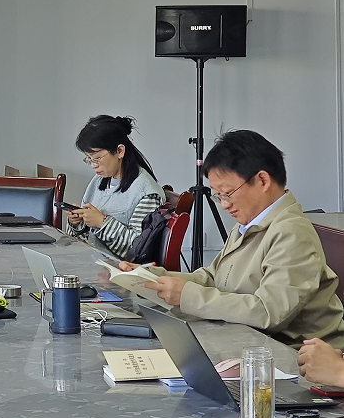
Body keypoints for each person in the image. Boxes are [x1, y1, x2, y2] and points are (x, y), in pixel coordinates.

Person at [123, 129, 344, 350]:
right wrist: (151, 278)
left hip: (295, 356)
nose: (223, 205)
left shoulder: (291, 232)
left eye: (227, 194)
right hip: (249, 342)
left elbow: (269, 313)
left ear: (262, 180)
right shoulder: (248, 222)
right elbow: (213, 277)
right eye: (218, 196)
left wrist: (188, 296)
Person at [63, 115, 165, 259]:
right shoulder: (99, 181)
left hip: (115, 269)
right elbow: (85, 238)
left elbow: (138, 249)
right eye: (89, 159)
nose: (93, 165)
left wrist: (102, 223)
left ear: (120, 151)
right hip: (90, 259)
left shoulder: (146, 192)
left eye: (96, 158)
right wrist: (78, 223)